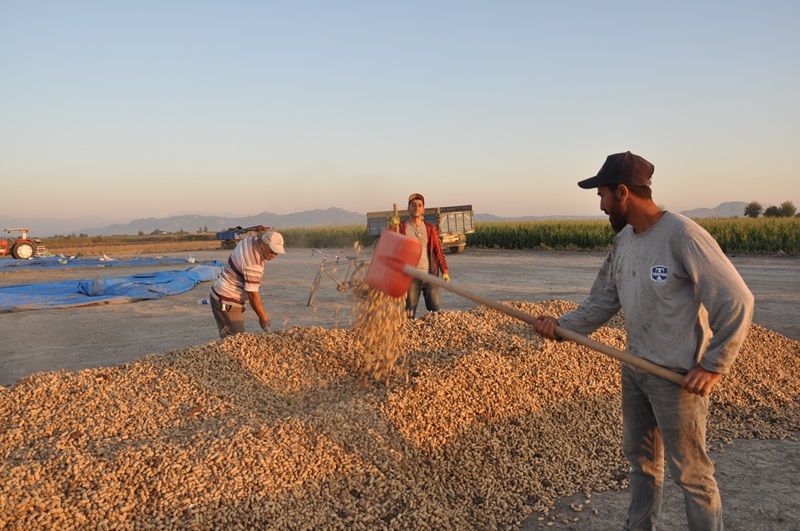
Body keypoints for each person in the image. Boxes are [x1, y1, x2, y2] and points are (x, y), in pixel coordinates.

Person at [532, 152, 754, 530]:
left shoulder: (682, 236)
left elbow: (737, 299)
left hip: (676, 379)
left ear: (623, 192)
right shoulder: (624, 243)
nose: (601, 206)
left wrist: (713, 365)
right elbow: (603, 300)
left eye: (602, 195)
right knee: (642, 465)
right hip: (636, 368)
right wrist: (562, 326)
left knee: (693, 477)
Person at [210, 230, 286, 338]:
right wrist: (263, 317)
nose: (274, 255)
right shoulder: (253, 264)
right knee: (235, 341)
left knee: (233, 339)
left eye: (277, 252)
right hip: (227, 299)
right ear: (263, 244)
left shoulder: (249, 240)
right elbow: (253, 295)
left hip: (222, 293)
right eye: (272, 251)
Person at [393, 193, 450, 318]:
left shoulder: (430, 228)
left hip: (429, 275)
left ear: (423, 209)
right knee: (409, 313)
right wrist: (392, 225)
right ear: (408, 209)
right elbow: (390, 242)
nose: (416, 207)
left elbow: (438, 251)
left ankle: (435, 336)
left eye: (419, 205)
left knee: (434, 312)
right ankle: (408, 336)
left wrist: (444, 270)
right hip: (410, 277)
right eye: (413, 205)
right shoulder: (401, 227)